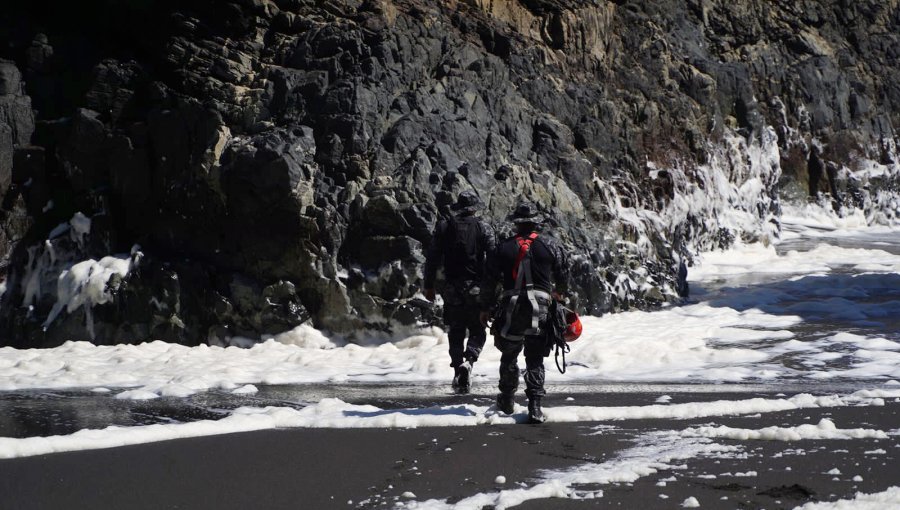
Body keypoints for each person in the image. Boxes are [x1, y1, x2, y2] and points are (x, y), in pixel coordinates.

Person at [480, 201, 569, 424]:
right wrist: (560, 295)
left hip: (512, 306)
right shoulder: (552, 245)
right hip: (541, 307)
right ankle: (535, 406)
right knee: (535, 356)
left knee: (509, 353)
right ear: (537, 222)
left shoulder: (503, 247)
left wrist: (486, 308)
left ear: (516, 224)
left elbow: (489, 280)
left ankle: (507, 400)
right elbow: (564, 276)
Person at [423, 190, 496, 393]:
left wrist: (429, 284)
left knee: (455, 331)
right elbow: (493, 258)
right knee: (478, 329)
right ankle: (469, 361)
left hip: (451, 288)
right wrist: (493, 290)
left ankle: (457, 370)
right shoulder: (483, 227)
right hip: (476, 288)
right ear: (474, 208)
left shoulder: (445, 226)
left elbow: (432, 257)